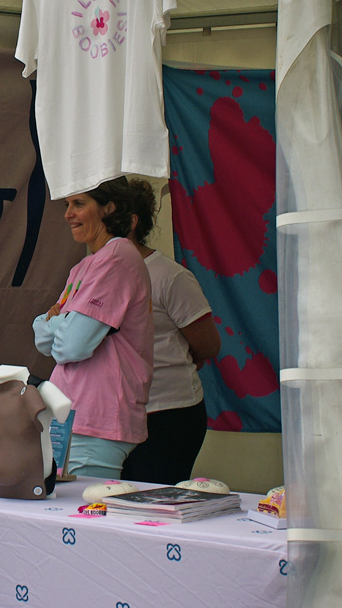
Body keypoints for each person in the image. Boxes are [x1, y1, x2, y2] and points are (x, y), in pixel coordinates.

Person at [34, 175, 154, 479]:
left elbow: (71, 347)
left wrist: (56, 320)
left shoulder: (117, 258)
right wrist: (65, 324)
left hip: (98, 421)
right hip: (74, 418)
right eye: (67, 205)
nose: (68, 214)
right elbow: (41, 338)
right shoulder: (86, 265)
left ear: (108, 207)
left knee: (86, 506)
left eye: (78, 204)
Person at [118, 178, 221, 484]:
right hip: (115, 415)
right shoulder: (90, 274)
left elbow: (208, 344)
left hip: (168, 412)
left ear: (131, 222)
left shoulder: (169, 276)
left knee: (155, 503)